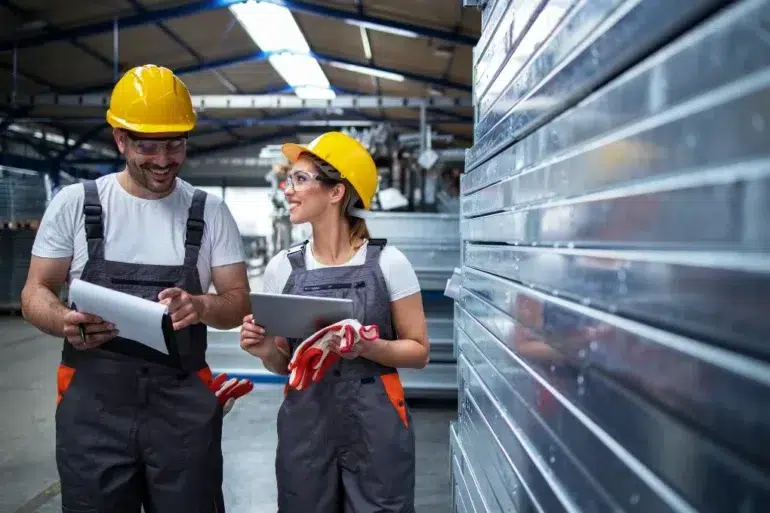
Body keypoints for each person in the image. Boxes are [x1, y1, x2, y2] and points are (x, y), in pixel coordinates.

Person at [20, 64, 252, 513]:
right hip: (93, 409)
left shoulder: (210, 212)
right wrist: (63, 320)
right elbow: (36, 291)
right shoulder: (78, 203)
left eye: (175, 146)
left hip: (182, 407)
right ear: (120, 139)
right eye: (148, 147)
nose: (163, 161)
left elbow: (238, 301)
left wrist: (201, 305)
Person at [239, 131, 430, 512]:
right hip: (306, 419)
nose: (287, 189)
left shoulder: (389, 263)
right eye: (289, 178)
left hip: (374, 419)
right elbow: (283, 364)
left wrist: (371, 348)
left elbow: (419, 351)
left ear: (336, 192)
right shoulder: (282, 268)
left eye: (300, 178)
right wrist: (264, 350)